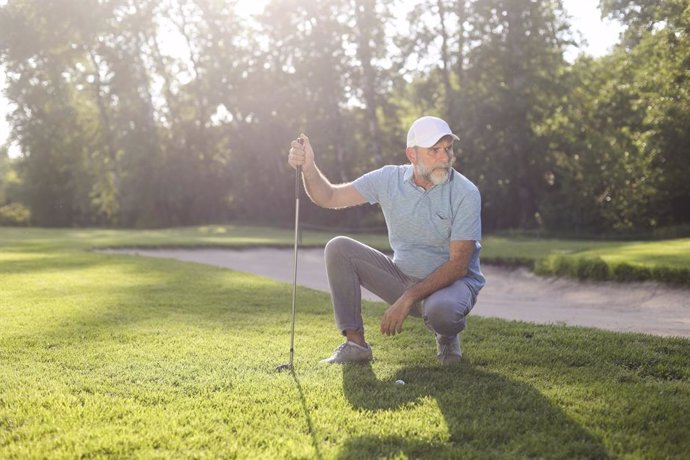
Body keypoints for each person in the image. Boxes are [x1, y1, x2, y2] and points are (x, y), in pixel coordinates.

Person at [287, 116, 485, 365]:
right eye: (434, 150)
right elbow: (328, 196)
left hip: (451, 286)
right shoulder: (387, 180)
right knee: (338, 248)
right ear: (412, 155)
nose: (444, 158)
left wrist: (408, 298)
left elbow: (458, 265)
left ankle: (446, 336)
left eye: (448, 149)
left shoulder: (466, 193)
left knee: (442, 313)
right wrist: (309, 167)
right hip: (402, 277)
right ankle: (355, 344)